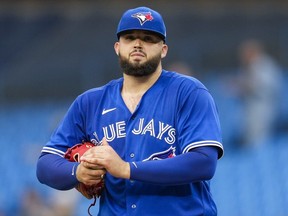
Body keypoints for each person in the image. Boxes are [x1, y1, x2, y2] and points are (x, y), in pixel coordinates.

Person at [37, 6, 224, 215]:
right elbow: (45, 164)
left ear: (163, 50)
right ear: (117, 47)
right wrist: (78, 171)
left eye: (148, 38)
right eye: (130, 37)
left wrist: (126, 169)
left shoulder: (188, 92)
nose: (137, 43)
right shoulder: (90, 102)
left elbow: (203, 163)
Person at [236, 39, 282, 147]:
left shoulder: (265, 65)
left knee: (261, 144)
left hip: (263, 112)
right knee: (251, 144)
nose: (242, 57)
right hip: (251, 112)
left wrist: (245, 86)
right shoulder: (248, 67)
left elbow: (267, 88)